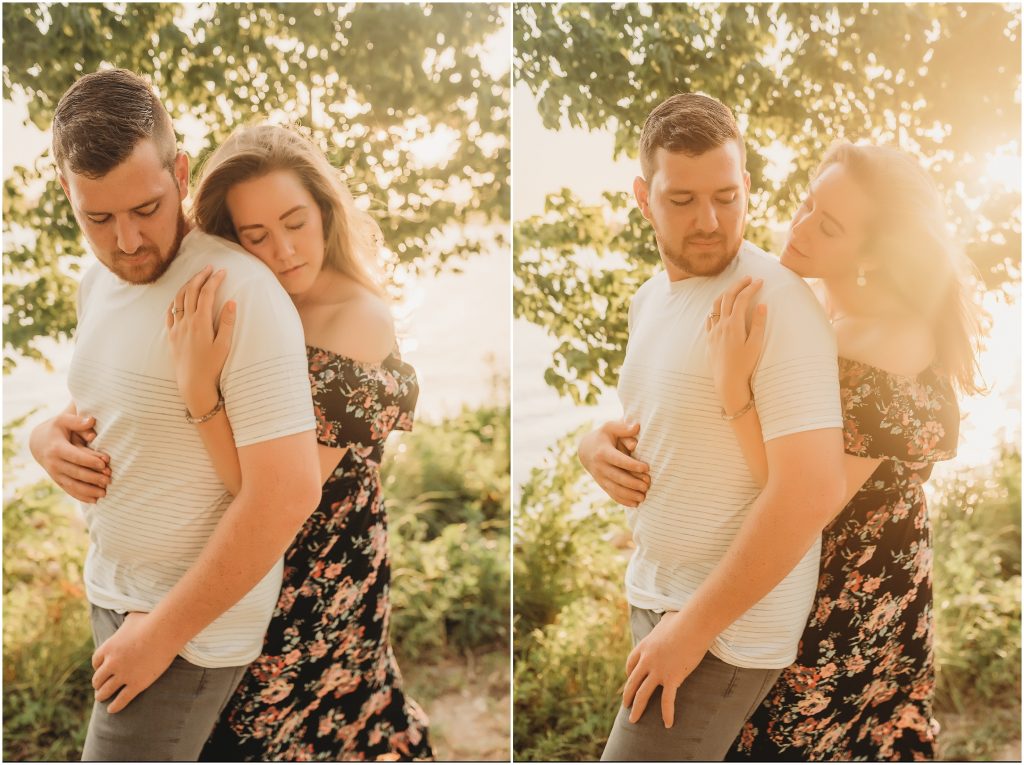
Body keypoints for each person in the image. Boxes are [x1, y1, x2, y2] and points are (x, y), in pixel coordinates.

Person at [28, 69, 322, 761]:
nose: (126, 240)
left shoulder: (238, 293)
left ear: (181, 171)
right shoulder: (94, 282)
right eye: (97, 218)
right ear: (67, 192)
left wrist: (159, 633)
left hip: (186, 630)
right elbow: (118, 404)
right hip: (116, 594)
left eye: (147, 208)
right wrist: (42, 436)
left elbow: (288, 491)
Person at [578, 93, 847, 762]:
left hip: (723, 627)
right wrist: (593, 442)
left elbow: (810, 492)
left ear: (748, 187)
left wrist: (692, 629)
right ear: (643, 197)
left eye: (727, 196)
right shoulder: (649, 299)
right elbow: (667, 411)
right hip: (663, 598)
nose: (709, 220)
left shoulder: (774, 302)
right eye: (682, 200)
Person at [167, 124, 432, 761]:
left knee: (292, 734)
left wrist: (200, 390)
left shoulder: (357, 318)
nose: (283, 251)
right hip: (253, 558)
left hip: (325, 573)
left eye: (295, 222)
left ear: (325, 210)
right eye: (255, 236)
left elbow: (270, 491)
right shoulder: (250, 302)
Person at [714, 144, 979, 760]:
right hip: (829, 567)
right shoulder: (830, 308)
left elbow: (799, 494)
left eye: (827, 226)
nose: (799, 226)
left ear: (873, 255)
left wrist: (734, 389)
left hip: (855, 591)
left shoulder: (884, 342)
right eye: (807, 203)